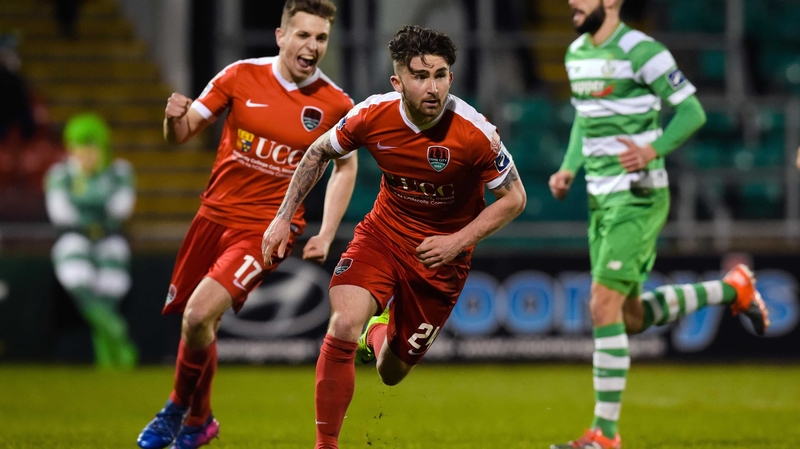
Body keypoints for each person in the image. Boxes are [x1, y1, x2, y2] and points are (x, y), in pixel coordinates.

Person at [262, 25, 527, 449]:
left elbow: (514, 198)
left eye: (440, 75)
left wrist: (457, 241)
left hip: (442, 260)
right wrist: (281, 218)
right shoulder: (372, 114)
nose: (432, 86)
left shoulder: (475, 132)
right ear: (397, 81)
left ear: (451, 79)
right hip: (384, 234)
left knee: (391, 372)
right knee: (344, 322)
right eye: (420, 76)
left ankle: (378, 332)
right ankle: (325, 445)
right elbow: (318, 152)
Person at [548, 1, 770, 448]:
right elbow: (584, 120)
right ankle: (733, 288)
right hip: (599, 199)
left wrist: (653, 149)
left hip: (638, 195)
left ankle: (604, 435)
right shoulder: (576, 54)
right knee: (629, 318)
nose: (572, 1)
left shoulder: (641, 50)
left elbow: (692, 112)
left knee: (601, 305)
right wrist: (570, 166)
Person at [135, 1, 356, 448]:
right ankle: (200, 423)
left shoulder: (335, 103)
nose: (312, 46)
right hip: (212, 217)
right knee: (201, 325)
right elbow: (182, 134)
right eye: (304, 35)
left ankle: (175, 410)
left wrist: (327, 231)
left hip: (267, 229)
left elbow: (345, 166)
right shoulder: (239, 76)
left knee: (198, 313)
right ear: (280, 35)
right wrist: (170, 118)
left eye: (321, 38)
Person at [45, 113, 138, 370]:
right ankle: (115, 330)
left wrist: (87, 198)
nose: (86, 154)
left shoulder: (118, 171)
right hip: (74, 237)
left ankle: (108, 356)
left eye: (91, 147)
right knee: (77, 276)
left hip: (109, 239)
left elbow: (121, 209)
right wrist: (95, 203)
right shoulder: (62, 174)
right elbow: (61, 213)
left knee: (111, 286)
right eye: (79, 148)